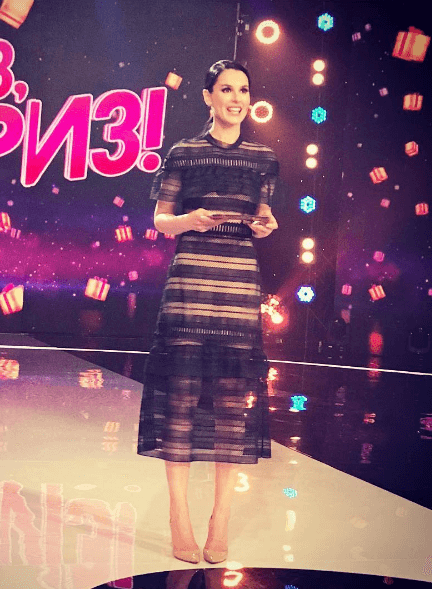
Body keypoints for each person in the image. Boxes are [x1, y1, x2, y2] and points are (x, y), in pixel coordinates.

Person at [137, 60, 279, 565]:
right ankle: (179, 516)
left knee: (230, 406)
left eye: (243, 90)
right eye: (226, 89)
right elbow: (160, 220)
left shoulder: (263, 159)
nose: (236, 98)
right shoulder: (184, 153)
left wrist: (266, 225)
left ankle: (222, 518)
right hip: (190, 287)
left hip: (238, 287)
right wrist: (189, 220)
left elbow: (264, 215)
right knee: (178, 401)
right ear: (207, 97)